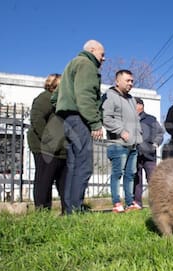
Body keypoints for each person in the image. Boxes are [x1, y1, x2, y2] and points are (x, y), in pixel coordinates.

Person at [55, 39, 105, 215]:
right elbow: (85, 96)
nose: (104, 58)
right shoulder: (87, 64)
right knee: (84, 166)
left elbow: (55, 97)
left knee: (73, 165)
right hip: (80, 119)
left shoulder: (71, 65)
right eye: (102, 54)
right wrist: (95, 122)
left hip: (68, 119)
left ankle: (69, 210)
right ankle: (75, 210)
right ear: (92, 50)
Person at [103, 70, 143, 213]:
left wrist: (139, 136)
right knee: (117, 174)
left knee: (130, 174)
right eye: (127, 80)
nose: (131, 83)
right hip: (118, 143)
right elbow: (106, 118)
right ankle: (116, 203)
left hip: (133, 144)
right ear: (117, 81)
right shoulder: (109, 96)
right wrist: (121, 131)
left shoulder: (132, 99)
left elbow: (135, 121)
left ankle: (130, 203)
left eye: (132, 81)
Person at [27, 73, 67, 214]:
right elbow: (37, 119)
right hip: (45, 148)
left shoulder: (63, 101)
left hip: (62, 149)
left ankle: (67, 211)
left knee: (64, 181)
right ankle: (42, 212)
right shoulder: (45, 98)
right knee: (44, 181)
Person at [133, 97, 164, 208]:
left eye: (134, 104)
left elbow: (160, 133)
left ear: (141, 105)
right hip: (135, 154)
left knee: (153, 179)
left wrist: (155, 144)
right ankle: (137, 203)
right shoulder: (131, 119)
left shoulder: (151, 119)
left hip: (149, 155)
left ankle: (156, 204)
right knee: (136, 179)